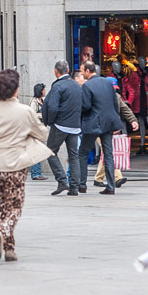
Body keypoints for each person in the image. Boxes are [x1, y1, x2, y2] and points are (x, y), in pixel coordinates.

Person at [0, 69, 53, 262]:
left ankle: (9, 247)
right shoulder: (25, 111)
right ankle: (5, 234)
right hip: (16, 165)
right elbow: (42, 134)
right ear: (15, 90)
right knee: (16, 205)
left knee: (1, 206)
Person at [76, 61, 124, 195]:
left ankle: (82, 184)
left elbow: (85, 106)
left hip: (93, 123)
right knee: (108, 154)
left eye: (81, 70)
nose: (81, 73)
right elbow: (115, 103)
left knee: (83, 152)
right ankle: (111, 186)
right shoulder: (108, 83)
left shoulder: (87, 86)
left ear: (87, 71)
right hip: (108, 122)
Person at [42, 61, 82, 196]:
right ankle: (74, 186)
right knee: (74, 156)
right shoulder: (76, 86)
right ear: (68, 70)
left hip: (60, 125)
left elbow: (52, 107)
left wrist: (50, 121)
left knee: (50, 151)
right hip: (75, 126)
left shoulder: (58, 86)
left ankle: (62, 180)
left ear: (55, 71)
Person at [28, 83, 48, 181]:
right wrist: (42, 115)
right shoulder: (34, 102)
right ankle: (35, 173)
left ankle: (37, 172)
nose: (45, 91)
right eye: (43, 90)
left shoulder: (42, 101)